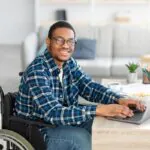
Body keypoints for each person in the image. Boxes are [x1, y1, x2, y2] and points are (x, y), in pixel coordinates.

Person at [15, 21, 145, 150]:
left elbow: (89, 87)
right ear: (48, 42)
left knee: (106, 125)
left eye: (70, 41)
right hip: (37, 129)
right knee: (81, 139)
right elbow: (53, 113)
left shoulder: (69, 63)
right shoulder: (37, 71)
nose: (66, 46)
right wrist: (98, 109)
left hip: (60, 121)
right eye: (59, 40)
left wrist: (119, 99)